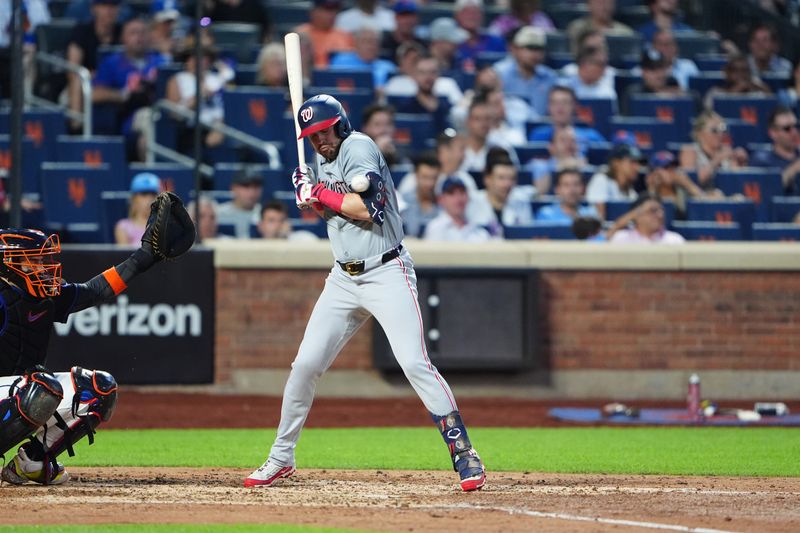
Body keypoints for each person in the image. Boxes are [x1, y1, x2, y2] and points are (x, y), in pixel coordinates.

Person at [245, 95, 486, 492]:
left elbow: (366, 209)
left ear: (339, 125)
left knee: (413, 362)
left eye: (323, 132)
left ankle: (464, 453)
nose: (318, 141)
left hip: (386, 271)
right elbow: (335, 212)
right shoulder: (320, 161)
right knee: (304, 365)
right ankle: (281, 456)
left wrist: (318, 193)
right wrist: (310, 197)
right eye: (311, 136)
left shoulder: (359, 147)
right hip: (342, 278)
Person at [0, 202, 194, 485]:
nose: (44, 268)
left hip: (14, 391)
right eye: (35, 261)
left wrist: (144, 258)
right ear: (8, 266)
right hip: (12, 392)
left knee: (98, 389)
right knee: (39, 388)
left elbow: (93, 291)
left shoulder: (41, 294)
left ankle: (31, 462)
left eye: (44, 260)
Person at [92, 17, 165, 145]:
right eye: (133, 33)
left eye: (143, 33)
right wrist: (124, 94)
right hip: (130, 117)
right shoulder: (112, 63)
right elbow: (95, 94)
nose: (139, 37)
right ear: (123, 38)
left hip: (162, 112)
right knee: (148, 126)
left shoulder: (161, 61)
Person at [166, 36, 233, 154]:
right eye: (193, 57)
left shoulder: (214, 79)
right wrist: (199, 95)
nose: (197, 61)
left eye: (203, 57)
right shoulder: (178, 79)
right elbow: (175, 114)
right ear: (187, 60)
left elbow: (229, 76)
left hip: (220, 127)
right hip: (192, 130)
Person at [66, 0, 122, 132]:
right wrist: (93, 76)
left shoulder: (122, 31)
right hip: (86, 83)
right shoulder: (82, 31)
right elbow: (72, 69)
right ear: (93, 9)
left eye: (113, 6)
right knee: (78, 79)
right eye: (104, 6)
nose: (109, 11)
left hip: (115, 82)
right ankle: (76, 128)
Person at [493, 26, 557, 118]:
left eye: (539, 49)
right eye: (529, 48)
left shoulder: (550, 77)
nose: (535, 54)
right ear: (515, 49)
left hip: (539, 127)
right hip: (508, 128)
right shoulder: (499, 73)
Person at [466, 152, 536, 237]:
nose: (507, 184)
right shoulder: (471, 203)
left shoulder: (521, 203)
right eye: (501, 178)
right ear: (487, 179)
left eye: (511, 179)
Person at [679, 110, 748, 192]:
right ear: (700, 133)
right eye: (714, 130)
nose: (720, 134)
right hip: (700, 199)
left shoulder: (727, 151)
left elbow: (736, 183)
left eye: (722, 129)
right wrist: (716, 160)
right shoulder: (690, 151)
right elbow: (692, 181)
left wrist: (741, 163)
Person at [528, 86, 606, 155]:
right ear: (548, 107)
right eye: (555, 102)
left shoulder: (592, 136)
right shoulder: (538, 135)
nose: (560, 107)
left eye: (565, 102)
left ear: (574, 106)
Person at [393, 54, 452, 134]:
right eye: (422, 72)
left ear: (438, 75)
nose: (428, 77)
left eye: (432, 72)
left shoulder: (446, 104)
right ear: (413, 75)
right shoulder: (404, 106)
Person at [459, 97, 518, 173]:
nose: (483, 124)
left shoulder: (502, 149)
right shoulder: (456, 149)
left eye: (487, 119)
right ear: (468, 121)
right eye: (477, 119)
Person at [424, 177, 492, 242]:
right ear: (441, 199)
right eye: (451, 193)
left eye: (462, 192)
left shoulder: (478, 229)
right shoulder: (436, 228)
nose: (458, 198)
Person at [586, 142, 643, 219]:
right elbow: (599, 218)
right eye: (632, 162)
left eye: (638, 163)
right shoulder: (601, 180)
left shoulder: (630, 191)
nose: (637, 167)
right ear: (616, 163)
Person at [751, 106, 800, 194]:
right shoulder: (762, 160)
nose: (794, 132)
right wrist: (795, 168)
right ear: (772, 133)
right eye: (787, 128)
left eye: (796, 126)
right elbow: (767, 192)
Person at [329, 27, 397, 91]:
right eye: (366, 41)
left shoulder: (389, 67)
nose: (371, 46)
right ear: (356, 44)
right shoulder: (341, 61)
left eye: (375, 42)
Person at [644, 150, 707, 218]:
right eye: (666, 168)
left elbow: (708, 205)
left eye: (674, 167)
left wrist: (689, 185)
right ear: (654, 173)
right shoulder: (649, 194)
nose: (672, 171)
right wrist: (652, 188)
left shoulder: (683, 192)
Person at [620, 48, 684, 115]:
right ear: (643, 72)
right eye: (652, 69)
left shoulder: (673, 86)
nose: (658, 74)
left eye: (661, 68)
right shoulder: (632, 94)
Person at [527, 125, 587, 195]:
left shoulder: (584, 166)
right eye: (563, 140)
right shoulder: (540, 165)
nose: (569, 144)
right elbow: (540, 193)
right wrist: (559, 166)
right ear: (551, 147)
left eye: (573, 140)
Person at [294, 0, 354, 68]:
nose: (332, 14)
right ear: (313, 12)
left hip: (336, 75)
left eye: (334, 10)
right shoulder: (301, 32)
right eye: (327, 10)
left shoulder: (344, 35)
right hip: (309, 75)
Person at [609, 193, 685, 243]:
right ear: (637, 215)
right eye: (653, 210)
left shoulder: (675, 240)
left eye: (661, 210)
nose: (660, 215)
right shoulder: (621, 238)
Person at [453, 0, 506, 72]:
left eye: (475, 13)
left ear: (482, 16)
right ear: (457, 16)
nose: (471, 16)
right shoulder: (451, 43)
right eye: (467, 12)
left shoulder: (496, 41)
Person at [566, 0, 634, 55]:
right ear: (589, 4)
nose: (604, 6)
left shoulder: (626, 33)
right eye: (599, 2)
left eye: (608, 2)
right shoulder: (577, 28)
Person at [703, 54, 771, 109]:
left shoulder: (757, 95)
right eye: (735, 70)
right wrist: (734, 92)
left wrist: (760, 86)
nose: (740, 74)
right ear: (727, 73)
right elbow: (709, 113)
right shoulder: (715, 94)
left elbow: (770, 107)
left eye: (744, 70)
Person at [399, 151, 441, 238]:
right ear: (416, 176)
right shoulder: (402, 202)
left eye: (434, 178)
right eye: (425, 177)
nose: (430, 183)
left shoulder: (444, 203)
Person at [216, 166, 264, 239]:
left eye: (256, 187)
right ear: (233, 188)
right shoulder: (216, 214)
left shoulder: (268, 216)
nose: (252, 192)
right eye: (246, 186)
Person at [114, 172, 161, 245]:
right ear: (134, 198)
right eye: (144, 194)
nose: (149, 199)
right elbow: (124, 255)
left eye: (153, 195)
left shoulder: (164, 227)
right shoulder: (123, 227)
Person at [488, 0, 554, 38]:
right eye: (522, 2)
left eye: (529, 2)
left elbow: (551, 38)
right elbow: (492, 37)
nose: (525, 5)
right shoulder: (504, 21)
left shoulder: (541, 19)